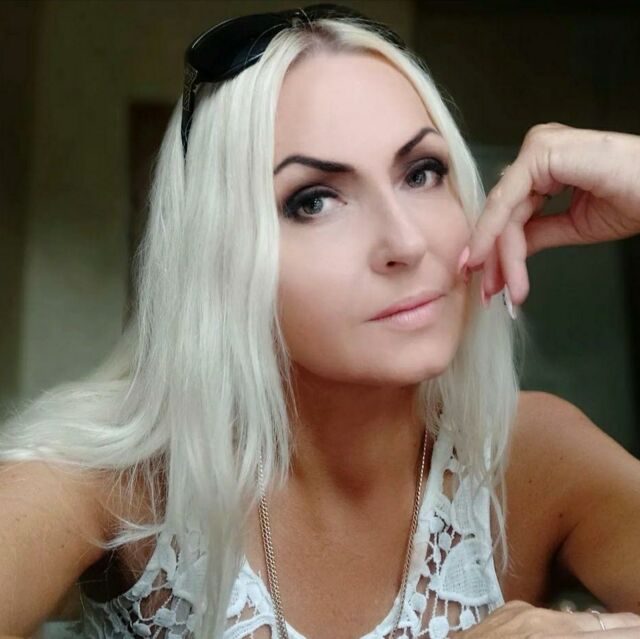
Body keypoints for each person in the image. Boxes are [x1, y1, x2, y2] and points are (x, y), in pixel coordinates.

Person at [0, 4, 639, 639]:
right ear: (220, 255)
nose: (406, 242)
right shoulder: (115, 483)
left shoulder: (534, 457)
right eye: (313, 201)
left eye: (421, 173)